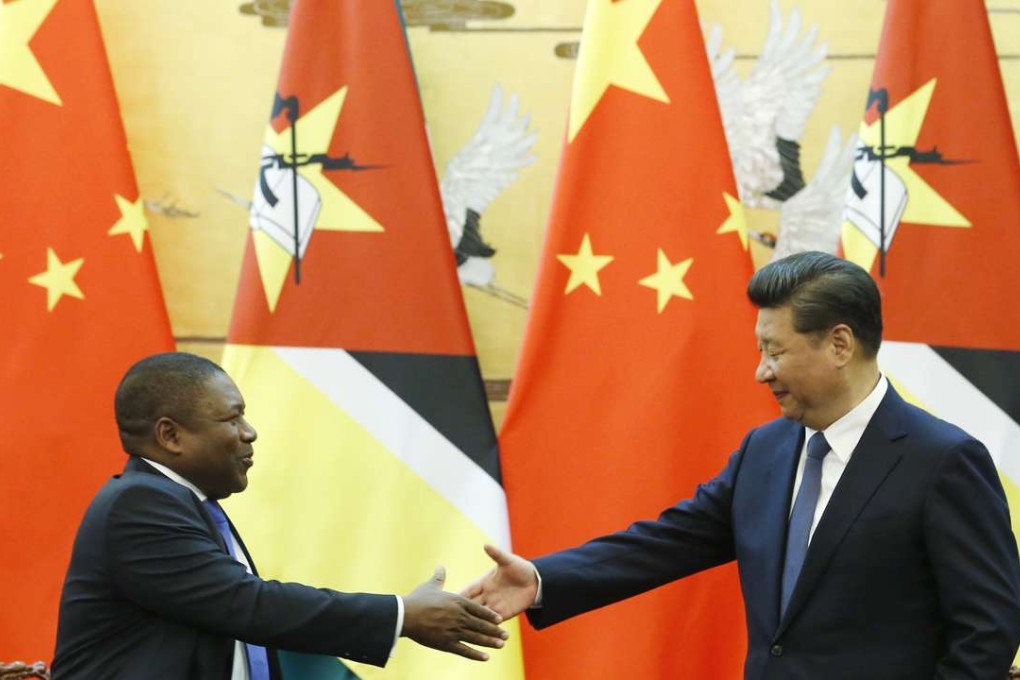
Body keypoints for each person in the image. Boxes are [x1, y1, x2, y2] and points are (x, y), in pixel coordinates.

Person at [464, 251, 1020, 679]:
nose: (761, 372)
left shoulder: (943, 461)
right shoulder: (766, 450)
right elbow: (666, 542)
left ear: (840, 344)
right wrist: (540, 580)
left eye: (775, 353)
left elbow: (988, 633)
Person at [52, 352, 506, 679]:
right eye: (232, 418)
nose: (250, 433)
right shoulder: (140, 505)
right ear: (170, 435)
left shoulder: (184, 503)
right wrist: (402, 615)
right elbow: (250, 605)